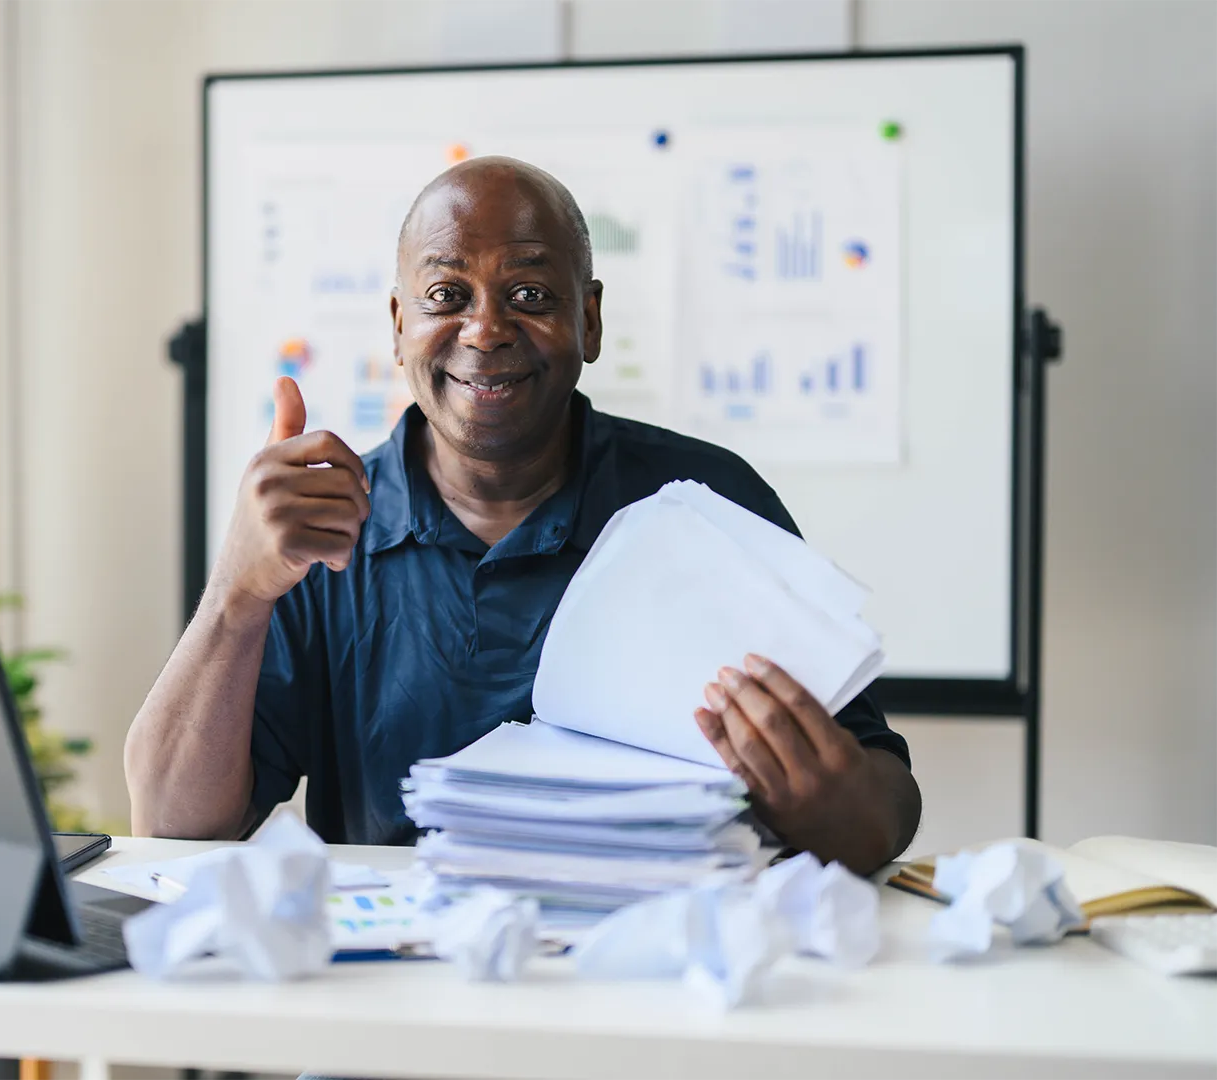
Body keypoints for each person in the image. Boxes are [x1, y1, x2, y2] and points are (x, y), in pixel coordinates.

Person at [125, 156, 920, 874]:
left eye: (530, 294)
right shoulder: (323, 529)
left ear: (591, 321)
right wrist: (238, 589)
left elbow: (881, 807)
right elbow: (171, 825)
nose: (486, 329)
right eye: (446, 295)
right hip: (398, 999)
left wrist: (826, 806)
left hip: (660, 996)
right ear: (400, 326)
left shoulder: (705, 504)